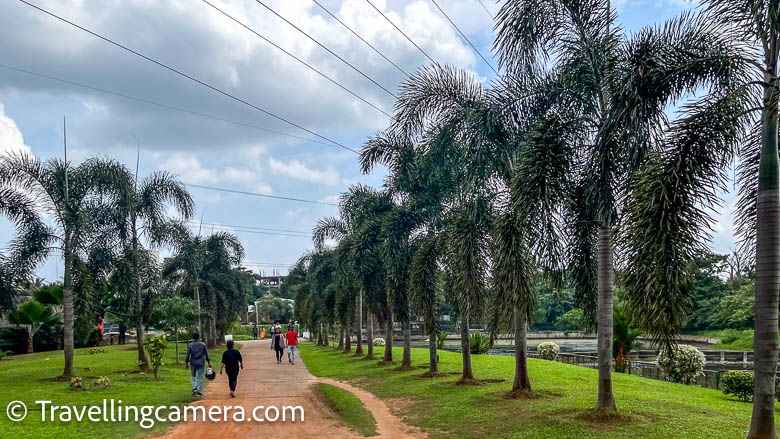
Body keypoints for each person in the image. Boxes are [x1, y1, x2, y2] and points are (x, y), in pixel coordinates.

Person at [185, 332, 211, 397]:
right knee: (200, 377)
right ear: (199, 337)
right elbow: (206, 354)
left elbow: (188, 355)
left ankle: (194, 388)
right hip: (201, 363)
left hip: (193, 362)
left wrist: (186, 363)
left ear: (193, 338)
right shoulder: (203, 345)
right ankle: (199, 392)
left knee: (193, 376)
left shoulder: (190, 345)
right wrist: (208, 362)